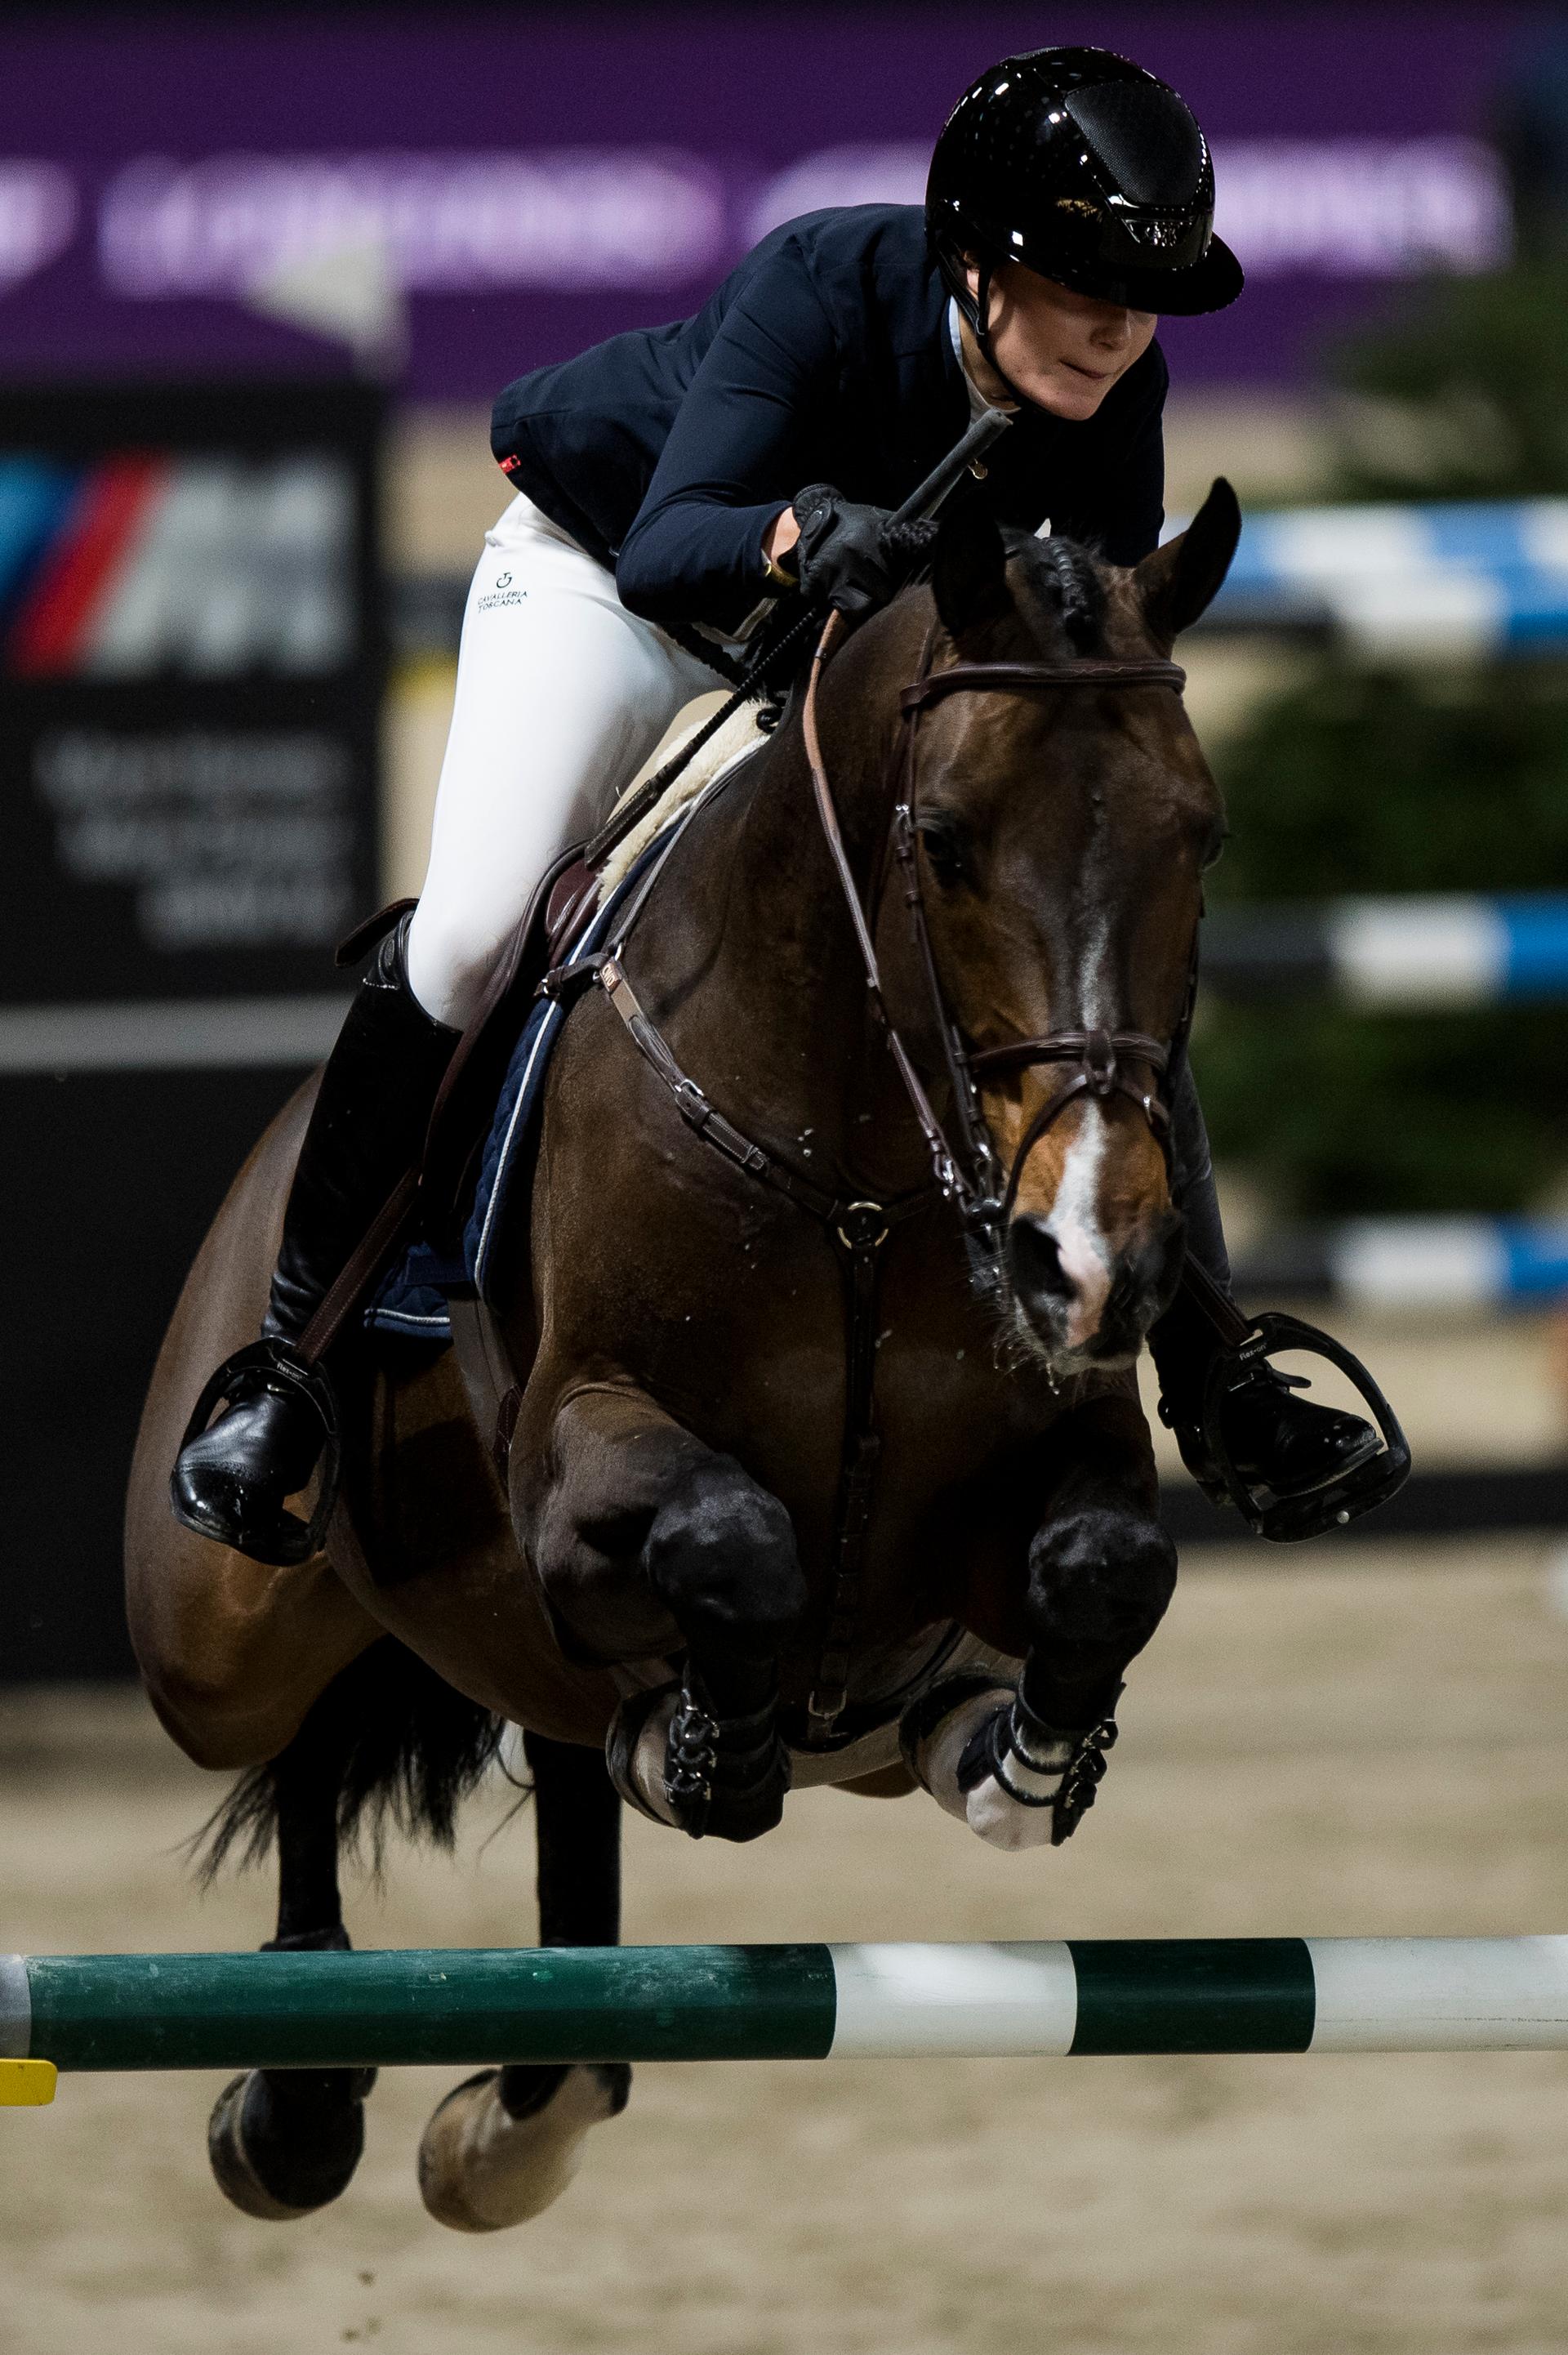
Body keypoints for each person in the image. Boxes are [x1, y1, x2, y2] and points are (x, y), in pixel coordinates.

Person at [172, 44, 1379, 1565]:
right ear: (968, 258)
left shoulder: (1108, 387)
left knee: (1064, 938)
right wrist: (807, 534)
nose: (1117, 329)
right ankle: (293, 1372)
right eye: (1075, 283)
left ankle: (1216, 1376)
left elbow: (1066, 663)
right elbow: (681, 544)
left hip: (833, 666)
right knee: (478, 929)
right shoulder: (822, 279)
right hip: (615, 586)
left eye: (1141, 300)